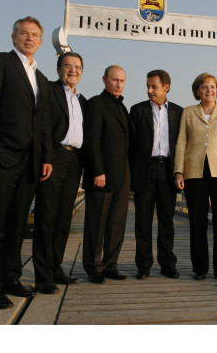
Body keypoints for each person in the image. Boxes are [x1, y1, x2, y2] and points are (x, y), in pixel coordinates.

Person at [0, 16, 53, 309]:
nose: (29, 38)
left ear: (41, 42)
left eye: (34, 35)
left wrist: (44, 157)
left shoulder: (40, 77)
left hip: (30, 162)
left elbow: (41, 123)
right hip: (2, 156)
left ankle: (10, 277)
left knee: (17, 224)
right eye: (23, 33)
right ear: (13, 37)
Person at [174, 73, 217, 282]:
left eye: (212, 87)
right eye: (204, 87)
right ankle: (200, 268)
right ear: (197, 91)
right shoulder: (188, 112)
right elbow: (181, 142)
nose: (209, 90)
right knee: (197, 222)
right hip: (194, 171)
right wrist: (179, 171)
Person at [32, 52, 87, 294]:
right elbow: (41, 127)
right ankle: (42, 276)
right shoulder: (49, 91)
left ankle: (55, 267)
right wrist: (45, 157)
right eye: (67, 66)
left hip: (74, 161)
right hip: (53, 158)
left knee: (64, 218)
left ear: (82, 72)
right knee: (47, 218)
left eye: (77, 67)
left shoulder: (82, 100)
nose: (73, 70)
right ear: (58, 70)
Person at [130, 70, 183, 280]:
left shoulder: (179, 112)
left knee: (166, 221)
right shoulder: (137, 110)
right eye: (148, 86)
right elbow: (131, 146)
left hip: (168, 171)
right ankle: (143, 265)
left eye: (154, 86)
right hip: (145, 171)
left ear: (166, 87)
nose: (149, 90)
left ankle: (167, 263)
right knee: (142, 221)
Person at [82, 65, 133, 283]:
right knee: (97, 223)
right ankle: (94, 267)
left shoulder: (123, 107)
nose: (119, 84)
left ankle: (111, 265)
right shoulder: (96, 103)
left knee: (116, 223)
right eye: (115, 80)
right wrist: (97, 171)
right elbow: (91, 141)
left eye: (122, 80)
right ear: (104, 80)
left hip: (122, 175)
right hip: (102, 175)